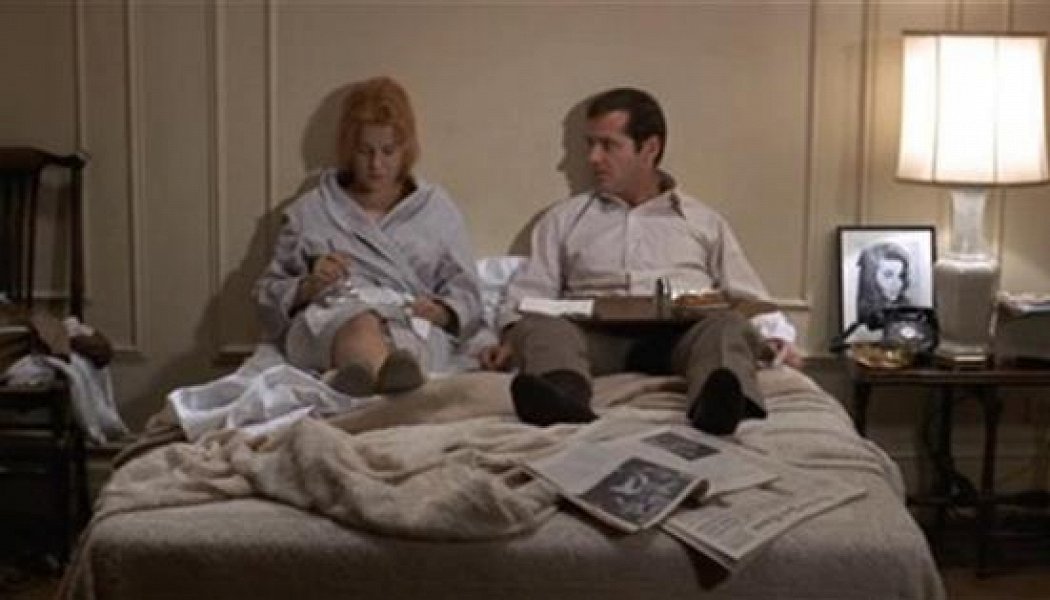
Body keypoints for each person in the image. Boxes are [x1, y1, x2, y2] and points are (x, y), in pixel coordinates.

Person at [480, 87, 802, 435]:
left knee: (726, 326)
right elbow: (528, 296)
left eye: (608, 145)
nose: (593, 158)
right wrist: (508, 338)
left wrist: (774, 338)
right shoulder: (563, 220)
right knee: (542, 326)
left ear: (650, 148)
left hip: (680, 340)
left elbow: (748, 297)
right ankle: (562, 400)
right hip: (593, 341)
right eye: (590, 144)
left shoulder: (703, 222)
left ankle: (718, 406)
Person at [254, 76, 482, 396]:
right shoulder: (312, 210)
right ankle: (380, 392)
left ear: (406, 149)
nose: (377, 165)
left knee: (405, 347)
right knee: (361, 324)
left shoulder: (436, 209)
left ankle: (363, 383)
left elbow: (467, 293)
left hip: (410, 323)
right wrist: (309, 286)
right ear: (349, 149)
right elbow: (267, 295)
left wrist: (442, 312)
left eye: (388, 151)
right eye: (365, 151)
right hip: (334, 320)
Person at [855, 241, 912, 328]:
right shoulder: (865, 321)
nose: (897, 284)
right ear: (871, 277)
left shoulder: (906, 308)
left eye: (901, 275)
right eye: (888, 275)